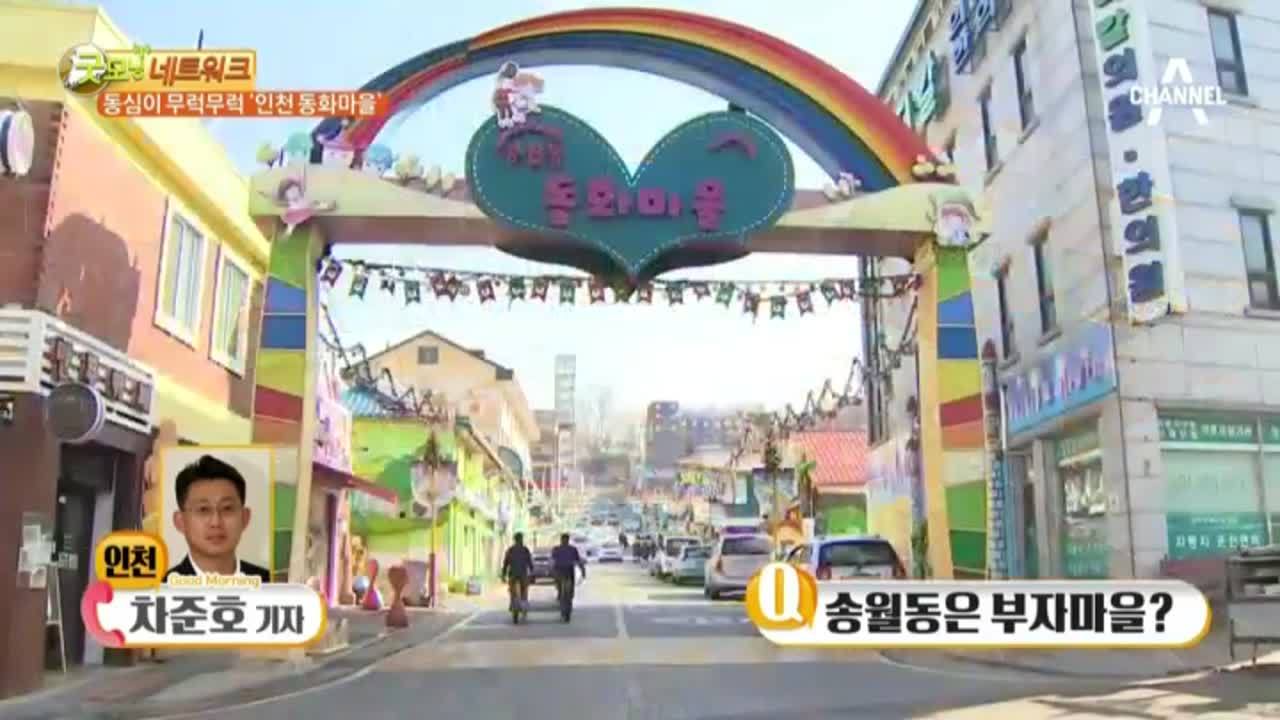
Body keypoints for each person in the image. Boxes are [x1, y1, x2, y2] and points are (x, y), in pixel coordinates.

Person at [164, 455, 270, 582]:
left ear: (244, 518)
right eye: (203, 509)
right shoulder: (161, 588)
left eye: (227, 508)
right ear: (180, 522)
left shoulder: (271, 584)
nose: (216, 522)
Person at [550, 532, 587, 612]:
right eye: (564, 540)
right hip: (564, 571)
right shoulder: (570, 549)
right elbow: (579, 561)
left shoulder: (559, 549)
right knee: (562, 585)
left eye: (565, 540)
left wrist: (583, 571)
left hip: (564, 571)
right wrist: (583, 571)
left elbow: (578, 561)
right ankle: (563, 595)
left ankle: (563, 596)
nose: (564, 541)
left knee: (564, 586)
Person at [501, 532, 534, 615]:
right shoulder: (525, 550)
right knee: (524, 590)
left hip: (513, 575)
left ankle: (513, 602)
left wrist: (503, 575)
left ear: (515, 540)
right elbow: (530, 563)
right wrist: (532, 573)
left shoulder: (510, 550)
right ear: (521, 539)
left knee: (512, 590)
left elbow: (505, 563)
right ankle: (524, 604)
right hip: (522, 574)